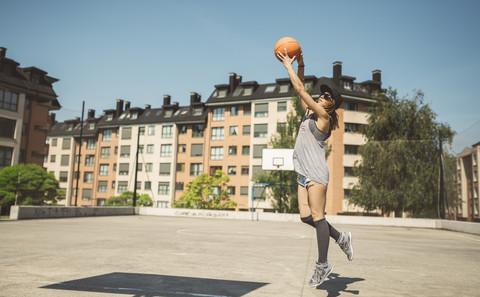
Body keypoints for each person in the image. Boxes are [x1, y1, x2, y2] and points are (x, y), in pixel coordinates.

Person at [276, 49, 354, 287]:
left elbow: (300, 89)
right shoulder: (310, 112)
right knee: (305, 217)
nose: (322, 97)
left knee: (319, 217)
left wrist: (287, 65)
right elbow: (300, 89)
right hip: (303, 174)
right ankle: (341, 237)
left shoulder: (324, 117)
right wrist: (300, 64)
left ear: (332, 105)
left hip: (316, 174)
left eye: (327, 97)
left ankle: (323, 264)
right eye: (322, 95)